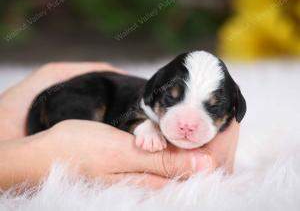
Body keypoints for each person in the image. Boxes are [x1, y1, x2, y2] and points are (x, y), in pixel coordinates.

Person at [0, 62, 240, 190]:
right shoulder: (144, 105)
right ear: (153, 94)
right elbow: (132, 118)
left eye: (213, 107)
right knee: (85, 102)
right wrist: (146, 127)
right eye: (171, 99)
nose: (188, 124)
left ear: (235, 110)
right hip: (90, 89)